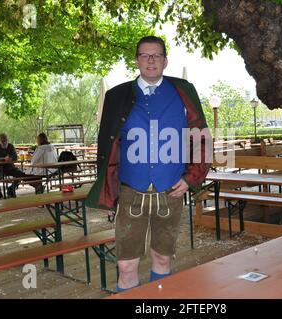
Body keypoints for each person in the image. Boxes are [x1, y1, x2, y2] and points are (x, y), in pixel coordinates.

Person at [86, 36, 212, 292]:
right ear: (137, 61)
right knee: (126, 266)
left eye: (156, 55)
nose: (151, 60)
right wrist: (109, 193)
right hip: (131, 191)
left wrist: (191, 179)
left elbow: (201, 138)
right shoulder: (117, 96)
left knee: (163, 258)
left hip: (171, 190)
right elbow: (107, 146)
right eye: (145, 55)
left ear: (165, 61)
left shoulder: (183, 92)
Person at [0, 133, 28, 198]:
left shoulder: (10, 146)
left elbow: (15, 157)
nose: (4, 142)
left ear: (7, 140)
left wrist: (11, 159)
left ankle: (11, 188)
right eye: (3, 141)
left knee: (20, 174)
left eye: (5, 141)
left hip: (10, 167)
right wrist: (3, 159)